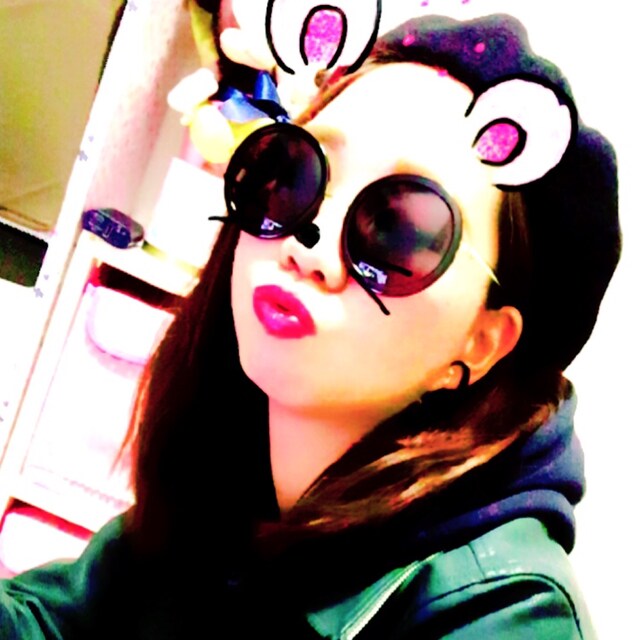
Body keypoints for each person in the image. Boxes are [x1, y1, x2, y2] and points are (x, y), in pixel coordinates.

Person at [0, 13, 619, 639]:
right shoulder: (229, 473)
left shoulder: (503, 617)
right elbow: (56, 620)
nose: (309, 245)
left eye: (400, 230)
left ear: (480, 343)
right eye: (293, 174)